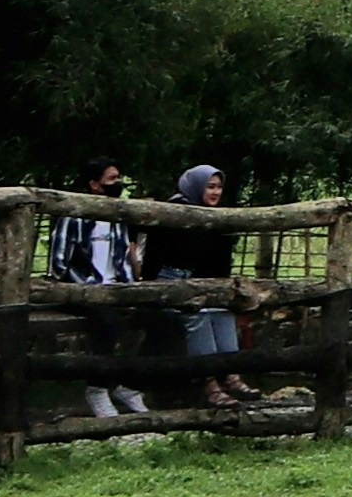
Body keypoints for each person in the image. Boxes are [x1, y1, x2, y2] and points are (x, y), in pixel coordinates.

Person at [53, 159, 150, 418]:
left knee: (155, 316)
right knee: (108, 324)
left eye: (119, 178)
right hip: (78, 290)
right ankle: (96, 388)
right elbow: (59, 263)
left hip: (113, 289)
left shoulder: (117, 216)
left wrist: (132, 291)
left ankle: (126, 385)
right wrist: (87, 288)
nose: (117, 184)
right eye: (111, 179)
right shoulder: (72, 216)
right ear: (94, 185)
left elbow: (121, 260)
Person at [154, 163, 256, 408]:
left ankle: (230, 375)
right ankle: (207, 381)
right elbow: (154, 259)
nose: (215, 192)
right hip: (170, 281)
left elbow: (217, 266)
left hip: (200, 283)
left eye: (219, 187)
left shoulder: (217, 218)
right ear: (197, 186)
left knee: (221, 312)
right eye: (210, 186)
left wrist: (221, 294)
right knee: (195, 313)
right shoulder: (175, 211)